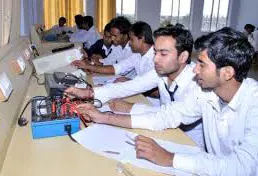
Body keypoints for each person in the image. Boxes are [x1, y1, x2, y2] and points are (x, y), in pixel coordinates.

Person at [73, 27, 258, 175]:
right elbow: (165, 116)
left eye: (202, 64)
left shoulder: (254, 103)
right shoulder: (208, 92)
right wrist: (104, 117)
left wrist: (170, 158)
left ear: (227, 72)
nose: (195, 70)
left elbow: (242, 168)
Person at [64, 26, 205, 149]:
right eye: (155, 52)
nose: (155, 59)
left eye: (163, 54)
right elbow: (131, 86)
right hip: (167, 131)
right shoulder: (162, 72)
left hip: (187, 143)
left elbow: (163, 118)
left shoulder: (197, 85)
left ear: (183, 57)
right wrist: (89, 93)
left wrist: (104, 117)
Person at [72, 21, 155, 81]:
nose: (130, 43)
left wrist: (131, 82)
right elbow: (117, 67)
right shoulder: (137, 55)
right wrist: (89, 65)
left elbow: (152, 87)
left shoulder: (154, 58)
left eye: (132, 40)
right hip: (132, 87)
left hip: (148, 99)